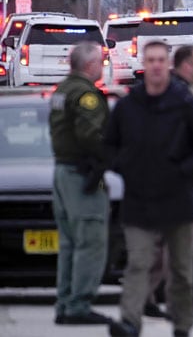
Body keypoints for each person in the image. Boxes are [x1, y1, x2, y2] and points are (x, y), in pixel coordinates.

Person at [105, 41, 193, 337]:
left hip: (178, 199)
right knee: (138, 264)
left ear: (167, 64)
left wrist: (184, 170)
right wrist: (125, 166)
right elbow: (108, 145)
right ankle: (130, 321)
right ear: (144, 62)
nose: (156, 65)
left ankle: (182, 324)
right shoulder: (129, 105)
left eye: (161, 60)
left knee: (181, 271)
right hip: (139, 200)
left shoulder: (185, 104)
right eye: (151, 59)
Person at [49, 41, 112, 326]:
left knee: (69, 243)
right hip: (81, 175)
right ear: (89, 65)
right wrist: (108, 156)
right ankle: (79, 304)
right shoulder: (85, 94)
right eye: (100, 61)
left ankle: (65, 301)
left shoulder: (62, 90)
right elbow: (91, 134)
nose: (102, 65)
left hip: (63, 172)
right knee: (90, 240)